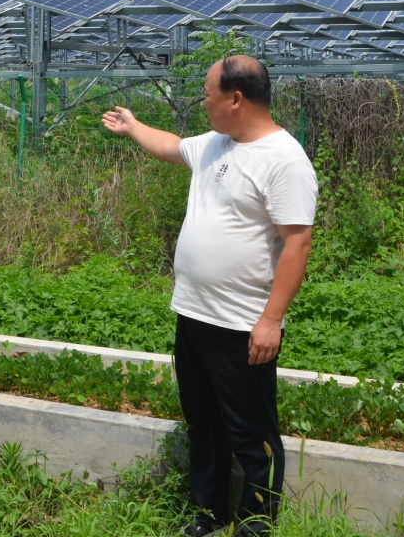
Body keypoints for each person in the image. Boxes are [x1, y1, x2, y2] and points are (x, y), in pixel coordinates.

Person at [102, 55, 317, 536]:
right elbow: (172, 146)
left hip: (241, 324)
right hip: (194, 314)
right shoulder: (217, 145)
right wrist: (134, 126)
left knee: (250, 431)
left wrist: (270, 321)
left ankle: (257, 523)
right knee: (203, 423)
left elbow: (297, 243)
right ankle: (210, 512)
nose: (203, 103)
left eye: (208, 95)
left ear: (236, 99)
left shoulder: (284, 159)